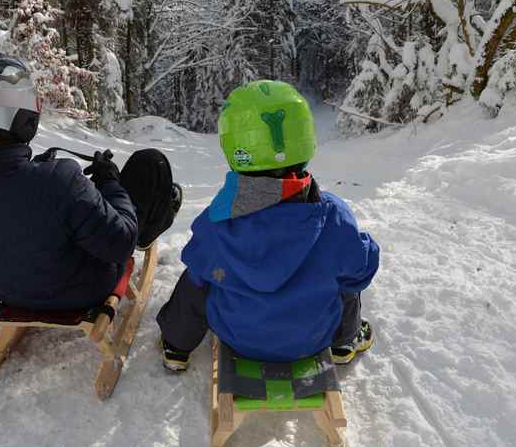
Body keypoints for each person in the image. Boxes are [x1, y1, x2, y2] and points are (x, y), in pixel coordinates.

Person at [0, 50, 181, 311]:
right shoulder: (59, 180)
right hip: (86, 291)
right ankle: (148, 232)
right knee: (150, 163)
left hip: (10, 293)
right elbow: (121, 245)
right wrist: (109, 182)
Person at [156, 80, 379, 370]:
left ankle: (176, 345)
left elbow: (198, 269)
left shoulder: (218, 221)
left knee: (200, 276)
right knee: (345, 278)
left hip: (239, 338)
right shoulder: (333, 216)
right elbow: (362, 270)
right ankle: (344, 342)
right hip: (313, 338)